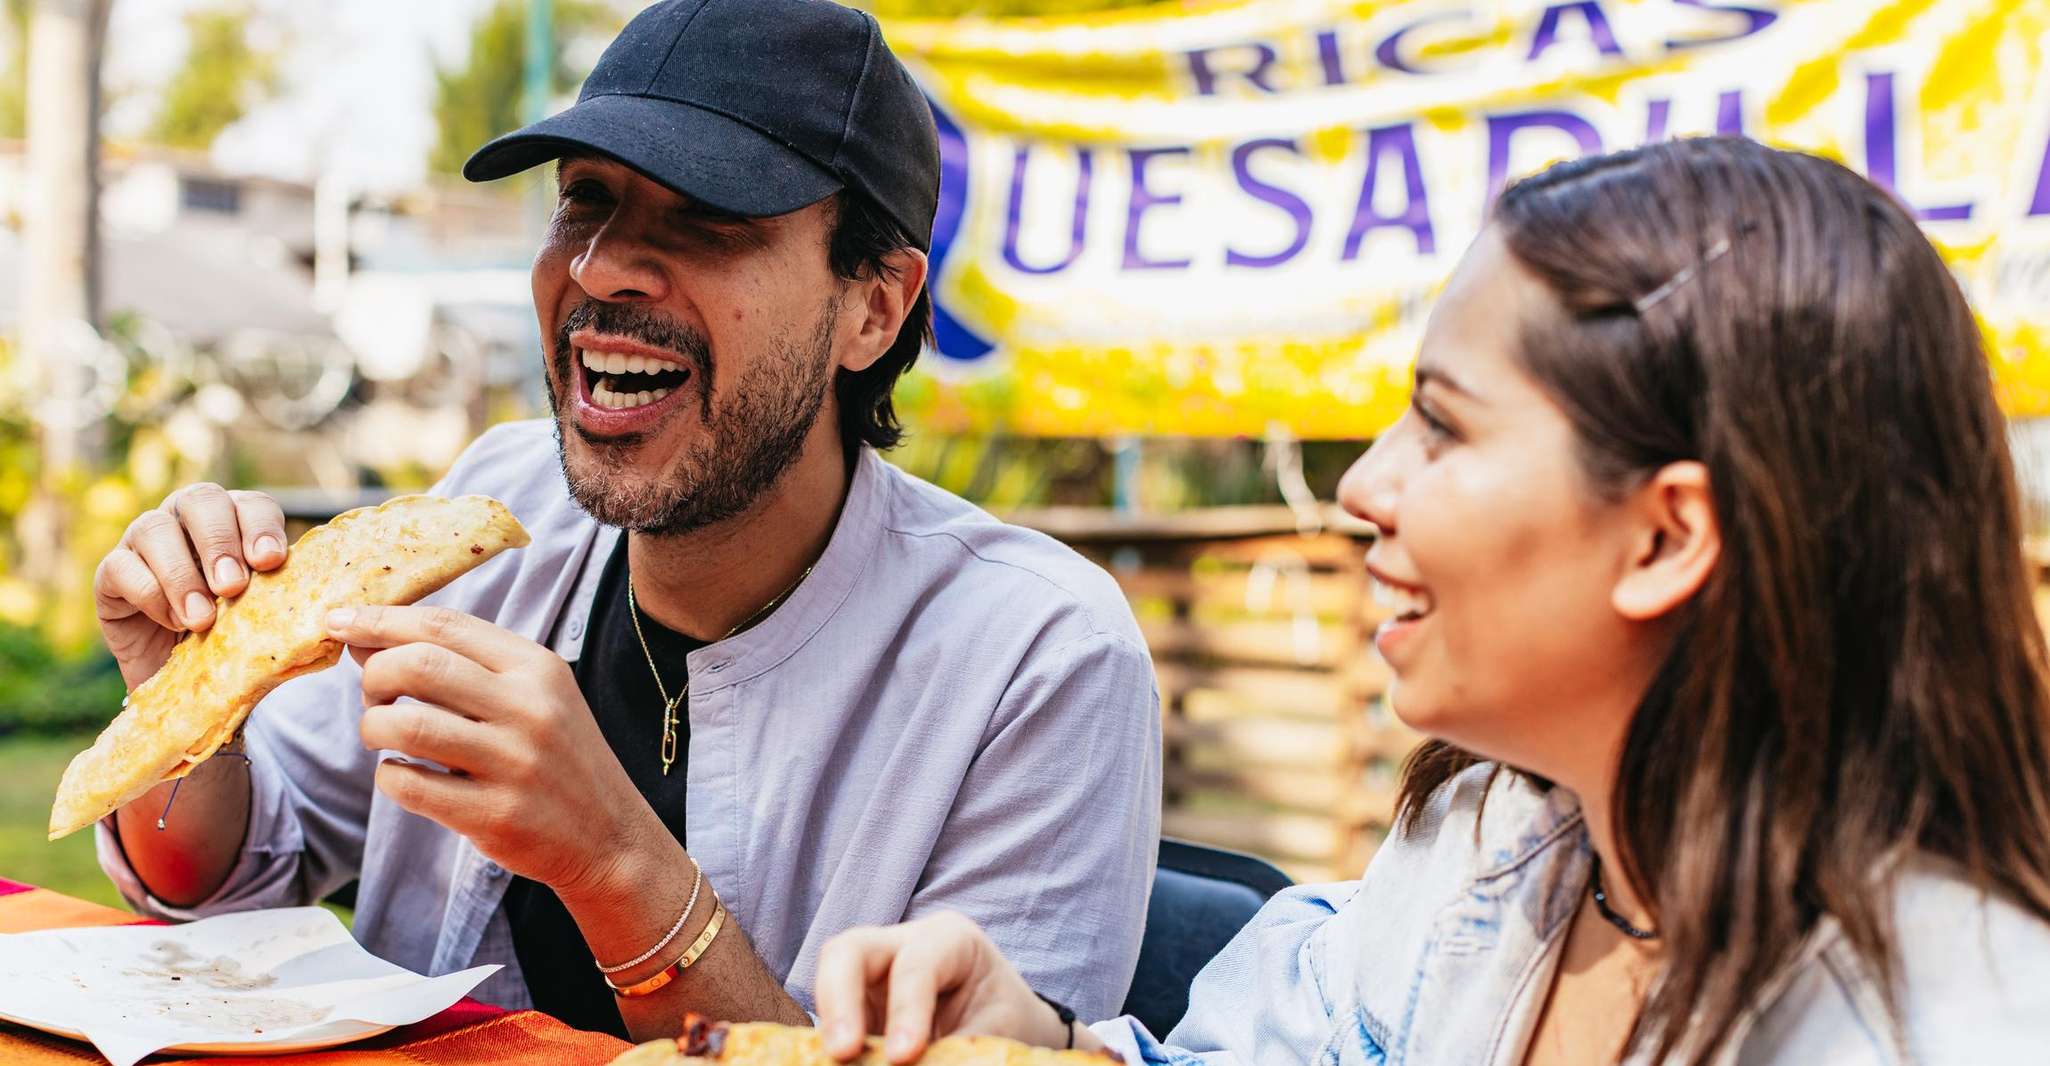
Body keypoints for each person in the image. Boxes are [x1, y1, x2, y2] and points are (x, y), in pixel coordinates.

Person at [810, 136, 2050, 1065]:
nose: (1363, 485)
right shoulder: (1490, 844)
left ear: (1669, 533)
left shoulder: (1956, 1022)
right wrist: (1035, 1039)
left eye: (1442, 427)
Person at [86, 0, 1160, 1042]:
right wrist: (179, 703)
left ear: (873, 306)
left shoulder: (1039, 656)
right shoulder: (500, 510)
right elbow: (227, 867)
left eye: (706, 218)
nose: (599, 268)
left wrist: (615, 864)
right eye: (585, 198)